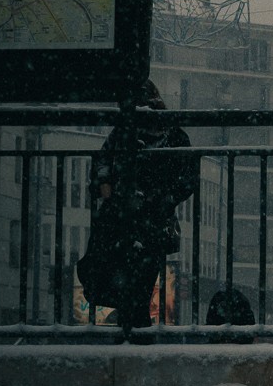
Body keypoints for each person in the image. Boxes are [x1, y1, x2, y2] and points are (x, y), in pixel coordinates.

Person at [78, 83, 196, 334]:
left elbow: (103, 161)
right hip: (143, 222)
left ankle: (130, 332)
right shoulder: (170, 135)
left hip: (127, 220)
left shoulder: (127, 131)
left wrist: (107, 185)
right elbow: (187, 180)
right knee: (138, 288)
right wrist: (163, 199)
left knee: (131, 288)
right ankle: (135, 334)